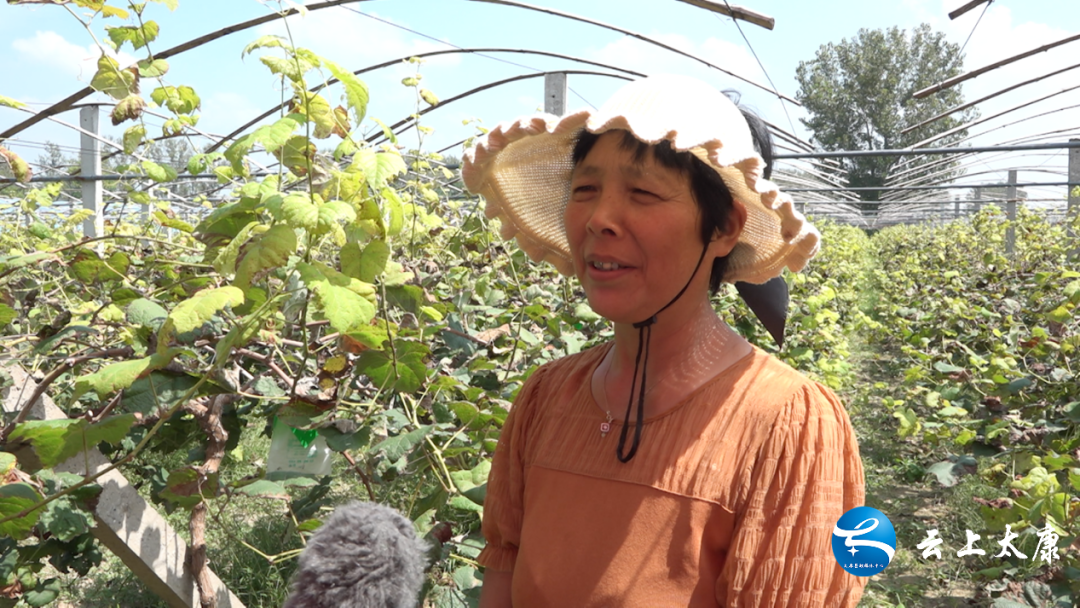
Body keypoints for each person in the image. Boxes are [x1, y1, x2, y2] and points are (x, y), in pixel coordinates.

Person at [461, 75, 866, 608]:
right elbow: (505, 567)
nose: (600, 219)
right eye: (585, 189)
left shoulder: (786, 423)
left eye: (644, 192)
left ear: (723, 227)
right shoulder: (545, 397)